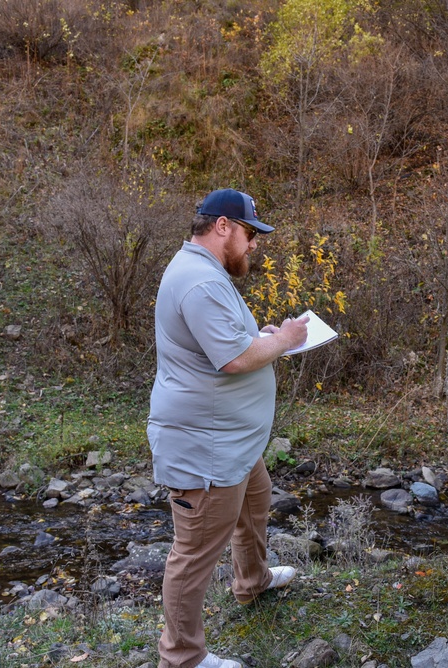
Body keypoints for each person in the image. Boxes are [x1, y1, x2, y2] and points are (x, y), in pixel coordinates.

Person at [148, 188, 309, 668]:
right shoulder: (199, 281)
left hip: (232, 441)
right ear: (223, 226)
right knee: (193, 555)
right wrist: (282, 339)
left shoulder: (205, 273)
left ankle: (252, 581)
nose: (254, 243)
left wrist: (259, 338)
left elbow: (228, 341)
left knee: (256, 500)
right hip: (207, 447)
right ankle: (183, 658)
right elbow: (234, 358)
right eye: (250, 232)